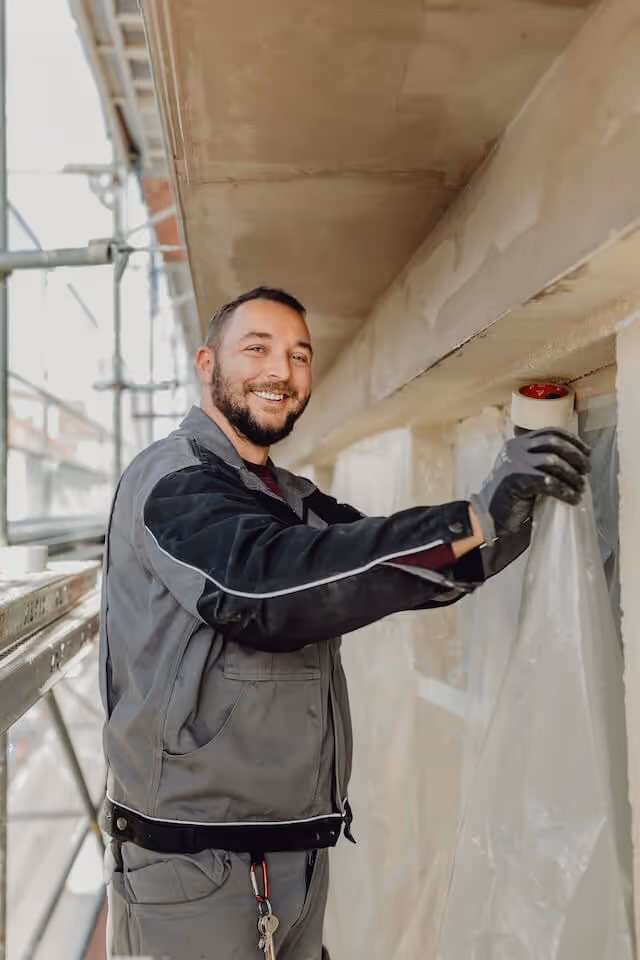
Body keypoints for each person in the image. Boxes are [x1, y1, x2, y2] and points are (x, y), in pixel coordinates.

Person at [100, 286, 590, 959]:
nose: (282, 371)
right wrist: (471, 518)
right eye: (258, 349)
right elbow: (262, 588)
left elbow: (393, 571)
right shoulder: (175, 482)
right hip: (195, 869)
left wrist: (508, 510)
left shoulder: (284, 496)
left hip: (289, 856)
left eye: (299, 355)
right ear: (207, 362)